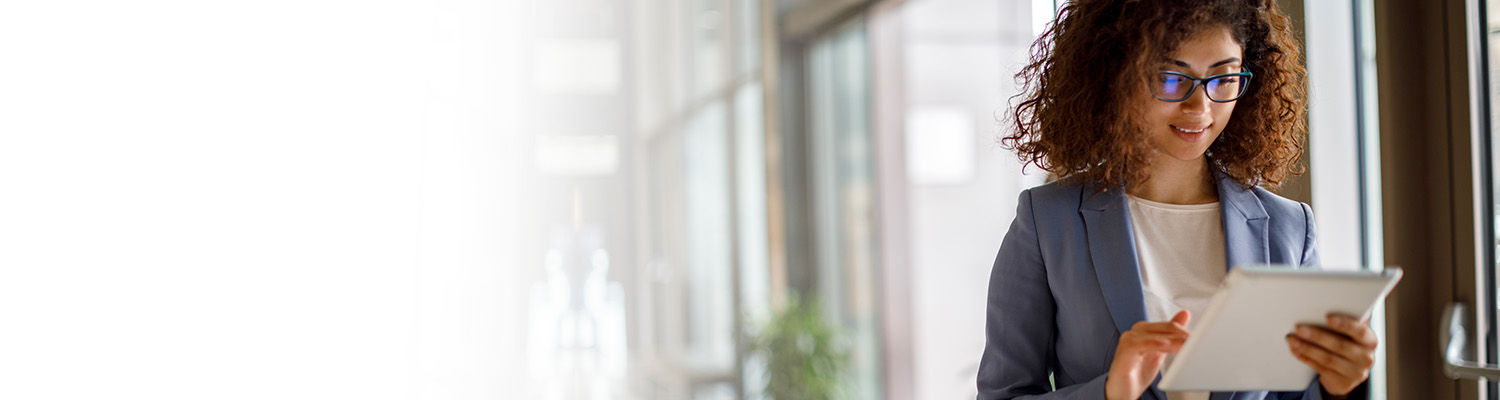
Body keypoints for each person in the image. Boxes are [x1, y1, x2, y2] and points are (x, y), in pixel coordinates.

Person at [975, 1, 1377, 399]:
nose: (1200, 107)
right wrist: (1111, 393)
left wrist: (1338, 389)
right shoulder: (1048, 223)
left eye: (1224, 78)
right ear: (1117, 75)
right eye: (1171, 77)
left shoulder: (1289, 228)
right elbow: (1002, 395)